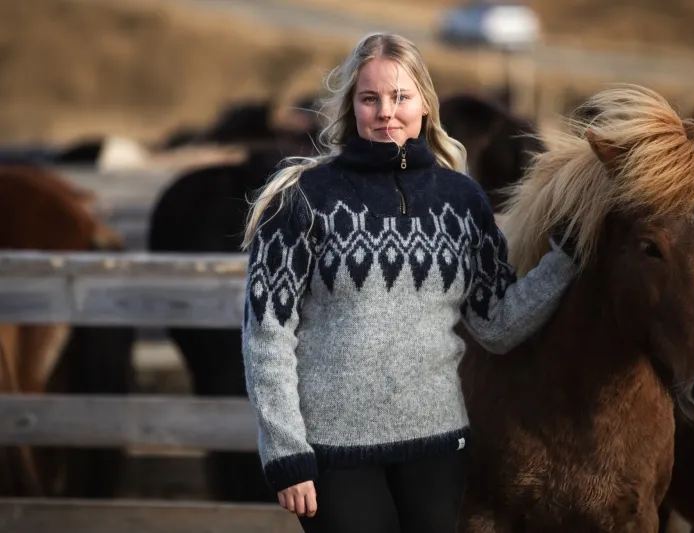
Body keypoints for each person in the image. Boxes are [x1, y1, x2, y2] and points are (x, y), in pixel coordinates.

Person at [240, 32, 576, 533]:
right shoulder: (304, 200)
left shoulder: (463, 201)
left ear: (425, 104)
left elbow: (498, 323)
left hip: (438, 448)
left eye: (400, 97)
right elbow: (267, 334)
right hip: (334, 451)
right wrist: (287, 452)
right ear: (351, 107)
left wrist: (564, 259)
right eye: (369, 98)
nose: (386, 113)